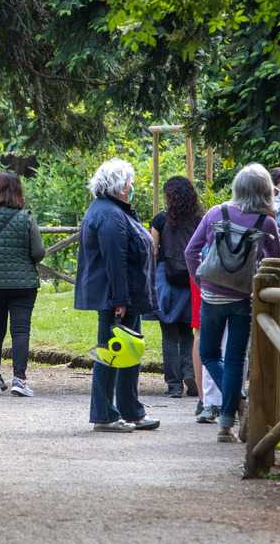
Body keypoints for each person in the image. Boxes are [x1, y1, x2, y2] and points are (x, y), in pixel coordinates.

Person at [185, 164, 280, 443]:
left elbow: (191, 250)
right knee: (235, 360)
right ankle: (226, 424)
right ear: (266, 191)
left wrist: (201, 280)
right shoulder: (266, 223)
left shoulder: (217, 212)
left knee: (209, 354)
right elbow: (276, 261)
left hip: (211, 297)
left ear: (237, 187)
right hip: (242, 299)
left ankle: (232, 404)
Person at [75, 158, 159, 433]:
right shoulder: (110, 214)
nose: (132, 186)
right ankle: (105, 414)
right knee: (112, 355)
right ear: (119, 186)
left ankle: (129, 410)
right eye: (129, 182)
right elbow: (115, 259)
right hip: (117, 298)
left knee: (128, 354)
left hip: (123, 296)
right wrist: (120, 299)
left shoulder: (112, 210)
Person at [0, 172, 45, 397]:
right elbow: (38, 252)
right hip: (23, 282)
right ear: (18, 191)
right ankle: (19, 378)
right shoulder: (26, 218)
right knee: (20, 330)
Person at [150, 176, 201, 398]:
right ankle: (192, 377)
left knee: (169, 334)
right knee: (188, 332)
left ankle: (173, 385)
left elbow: (152, 250)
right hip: (192, 279)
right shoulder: (200, 219)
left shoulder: (160, 220)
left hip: (166, 279)